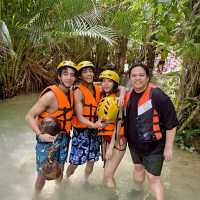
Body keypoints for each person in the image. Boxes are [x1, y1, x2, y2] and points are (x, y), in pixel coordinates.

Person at [124, 63, 178, 200]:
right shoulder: (129, 94)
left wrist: (168, 148)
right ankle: (137, 192)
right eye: (134, 75)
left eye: (141, 75)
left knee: (153, 177)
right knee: (138, 168)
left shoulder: (157, 95)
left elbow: (171, 123)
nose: (137, 78)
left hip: (154, 146)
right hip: (135, 145)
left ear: (148, 77)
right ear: (130, 78)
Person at [25, 60, 77, 193]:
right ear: (59, 76)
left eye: (72, 75)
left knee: (60, 167)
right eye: (65, 74)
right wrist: (40, 134)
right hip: (47, 140)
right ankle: (36, 196)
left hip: (64, 138)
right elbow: (29, 116)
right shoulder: (50, 96)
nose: (69, 77)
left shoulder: (71, 93)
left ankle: (59, 193)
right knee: (43, 173)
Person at [66, 61, 103, 182]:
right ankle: (66, 179)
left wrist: (123, 93)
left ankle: (85, 180)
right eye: (85, 72)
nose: (89, 74)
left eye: (90, 71)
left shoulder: (97, 88)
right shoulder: (78, 92)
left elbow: (119, 87)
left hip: (95, 130)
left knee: (91, 160)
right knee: (75, 161)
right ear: (80, 76)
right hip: (82, 131)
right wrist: (94, 125)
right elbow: (80, 116)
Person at [97, 70, 127, 189]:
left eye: (109, 81)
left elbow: (118, 123)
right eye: (103, 81)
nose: (106, 84)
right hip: (107, 138)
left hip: (117, 140)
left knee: (108, 176)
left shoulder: (118, 100)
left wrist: (110, 147)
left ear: (115, 84)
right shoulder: (105, 96)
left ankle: (113, 195)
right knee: (107, 173)